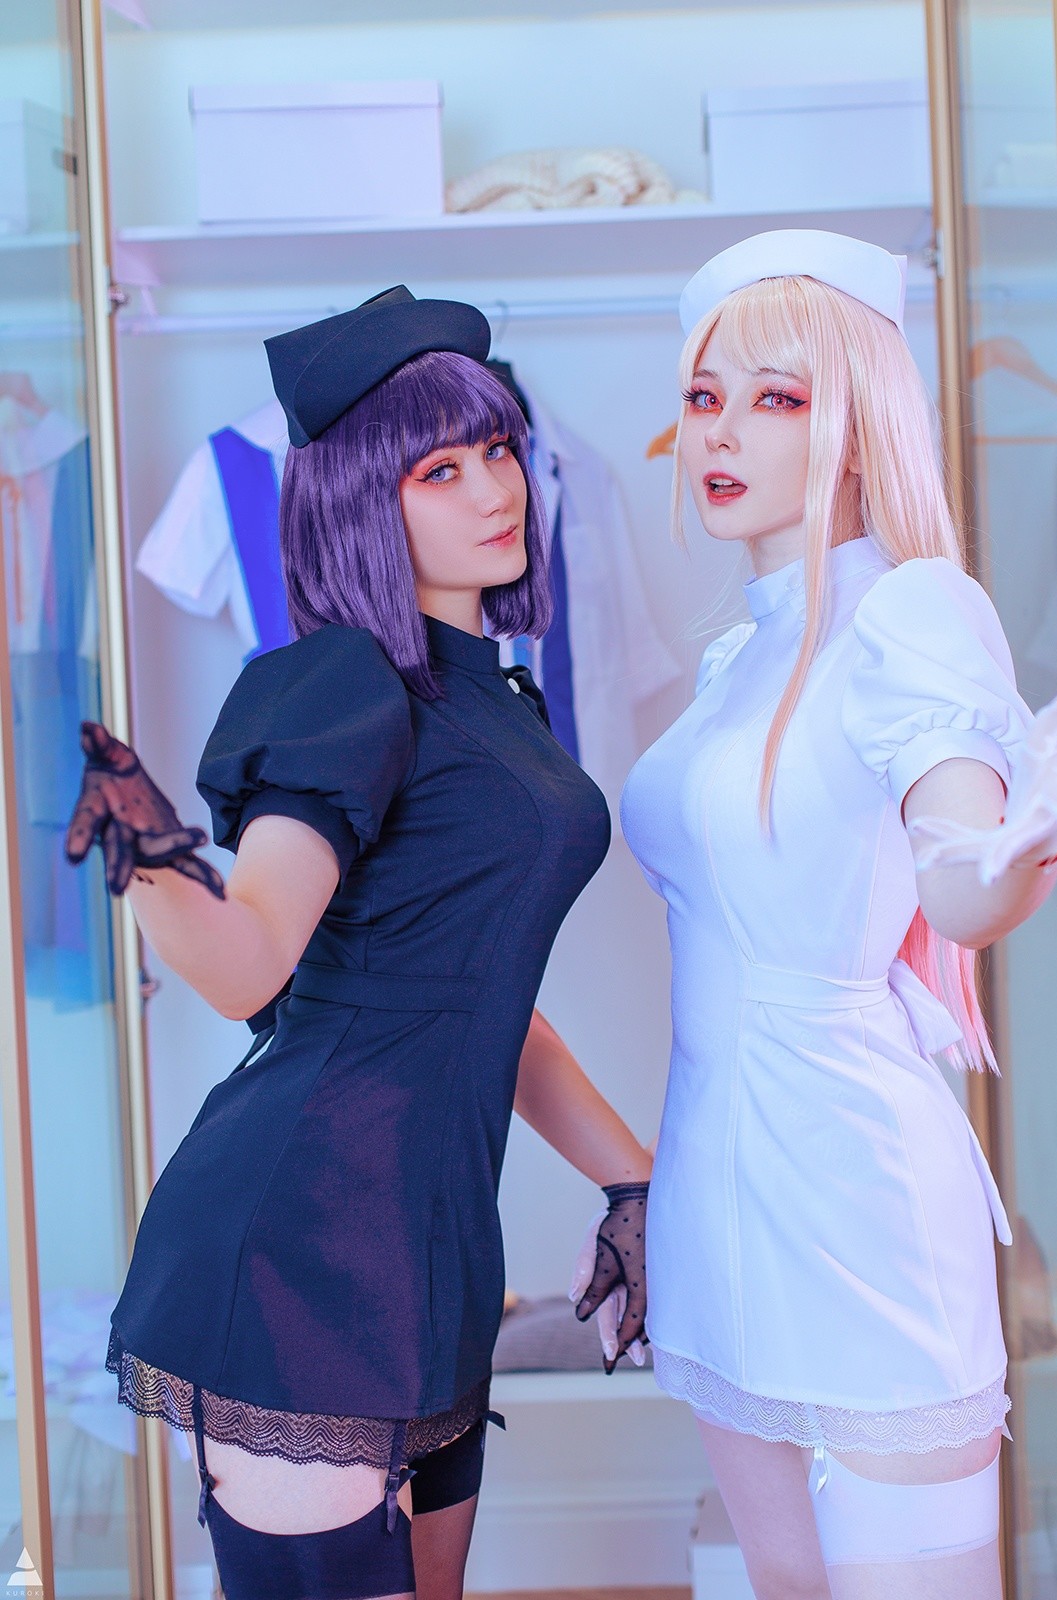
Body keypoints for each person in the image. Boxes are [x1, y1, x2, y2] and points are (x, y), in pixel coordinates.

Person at [66, 287, 651, 1600]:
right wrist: (152, 855)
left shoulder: (495, 699)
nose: (493, 489)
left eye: (498, 449)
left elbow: (486, 1000)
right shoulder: (342, 681)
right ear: (357, 504)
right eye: (438, 470)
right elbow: (248, 965)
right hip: (302, 1242)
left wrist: (635, 1183)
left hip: (433, 1249)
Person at [615, 232, 1057, 1598]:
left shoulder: (913, 610)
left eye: (775, 397)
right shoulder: (740, 651)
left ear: (853, 423)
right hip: (714, 1183)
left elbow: (956, 878)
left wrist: (1017, 849)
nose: (720, 432)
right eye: (704, 395)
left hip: (853, 1189)